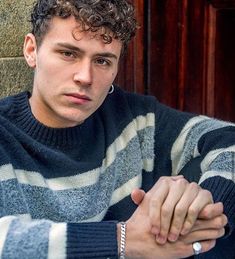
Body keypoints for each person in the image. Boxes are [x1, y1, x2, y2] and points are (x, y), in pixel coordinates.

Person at [0, 0, 234, 258]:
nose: (85, 77)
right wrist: (123, 239)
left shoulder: (135, 118)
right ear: (31, 50)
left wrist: (202, 207)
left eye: (102, 61)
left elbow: (229, 140)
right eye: (68, 53)